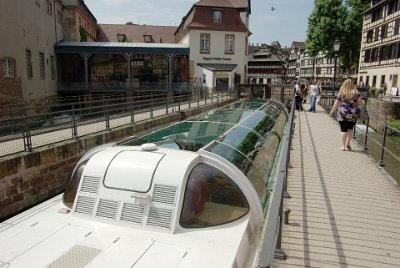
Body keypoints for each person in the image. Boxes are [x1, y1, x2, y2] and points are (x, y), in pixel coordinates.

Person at [329, 78, 363, 151]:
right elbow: (360, 104)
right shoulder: (357, 93)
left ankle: (343, 146)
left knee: (343, 129)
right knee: (350, 129)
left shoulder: (342, 92)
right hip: (353, 113)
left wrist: (331, 112)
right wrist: (354, 103)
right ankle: (348, 143)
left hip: (343, 113)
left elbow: (336, 104)